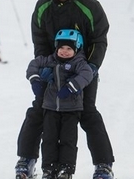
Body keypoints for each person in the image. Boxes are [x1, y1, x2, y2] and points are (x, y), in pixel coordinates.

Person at [15, 0, 115, 179]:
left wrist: (89, 68)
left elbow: (99, 40)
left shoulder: (90, 6)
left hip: (82, 72)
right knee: (39, 111)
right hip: (53, 73)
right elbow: (40, 41)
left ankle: (103, 165)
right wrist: (44, 70)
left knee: (87, 113)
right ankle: (26, 160)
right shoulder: (43, 7)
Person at [26, 29, 93, 179]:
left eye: (69, 48)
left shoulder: (78, 63)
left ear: (76, 49)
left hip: (71, 109)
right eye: (61, 48)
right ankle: (49, 169)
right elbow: (33, 65)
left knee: (67, 140)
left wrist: (72, 87)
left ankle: (66, 169)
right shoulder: (50, 60)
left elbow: (87, 74)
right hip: (50, 107)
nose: (64, 51)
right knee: (49, 139)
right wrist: (35, 79)